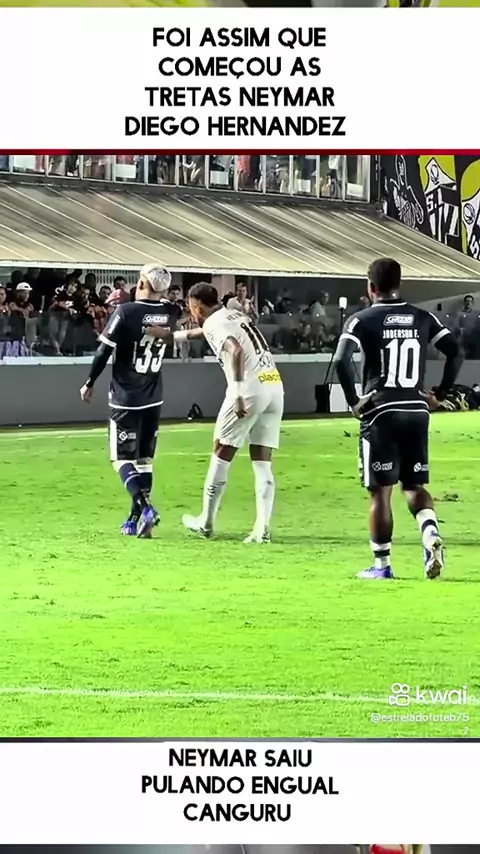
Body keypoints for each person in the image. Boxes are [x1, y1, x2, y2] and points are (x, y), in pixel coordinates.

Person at [333, 257, 460, 580]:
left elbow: (341, 361)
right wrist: (441, 393)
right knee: (414, 485)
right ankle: (430, 534)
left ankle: (381, 566)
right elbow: (455, 351)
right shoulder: (422, 316)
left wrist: (354, 402)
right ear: (399, 284)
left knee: (381, 492)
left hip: (381, 412)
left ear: (370, 287)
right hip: (416, 410)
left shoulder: (362, 320)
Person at [150, 283, 284, 542]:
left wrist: (237, 393)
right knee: (262, 460)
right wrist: (172, 336)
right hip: (273, 385)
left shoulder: (215, 323)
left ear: (197, 307)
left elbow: (235, 349)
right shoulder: (233, 315)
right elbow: (205, 332)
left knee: (222, 450)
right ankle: (262, 528)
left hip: (249, 389)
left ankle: (206, 522)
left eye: (191, 308)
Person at [79, 264, 177, 538]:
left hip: (125, 398)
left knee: (121, 459)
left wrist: (89, 382)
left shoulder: (126, 312)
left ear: (142, 283)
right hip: (153, 396)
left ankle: (146, 509)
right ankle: (134, 519)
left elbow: (103, 351)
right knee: (144, 461)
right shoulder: (170, 313)